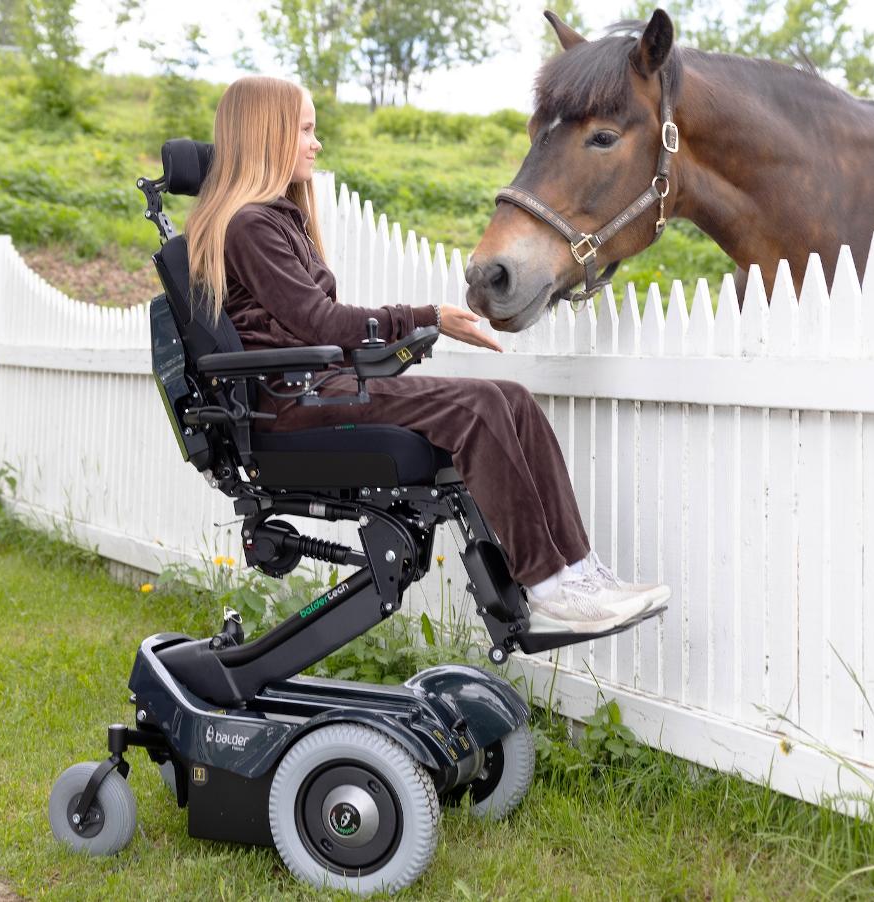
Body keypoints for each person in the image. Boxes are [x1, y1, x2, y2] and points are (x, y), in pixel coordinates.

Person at [185, 76, 670, 634]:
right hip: (292, 404)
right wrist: (426, 318)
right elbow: (314, 323)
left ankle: (581, 573)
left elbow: (313, 324)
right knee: (477, 406)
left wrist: (411, 330)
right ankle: (548, 587)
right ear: (267, 135)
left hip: (321, 389)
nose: (316, 144)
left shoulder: (275, 220)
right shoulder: (249, 226)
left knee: (509, 397)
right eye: (306, 130)